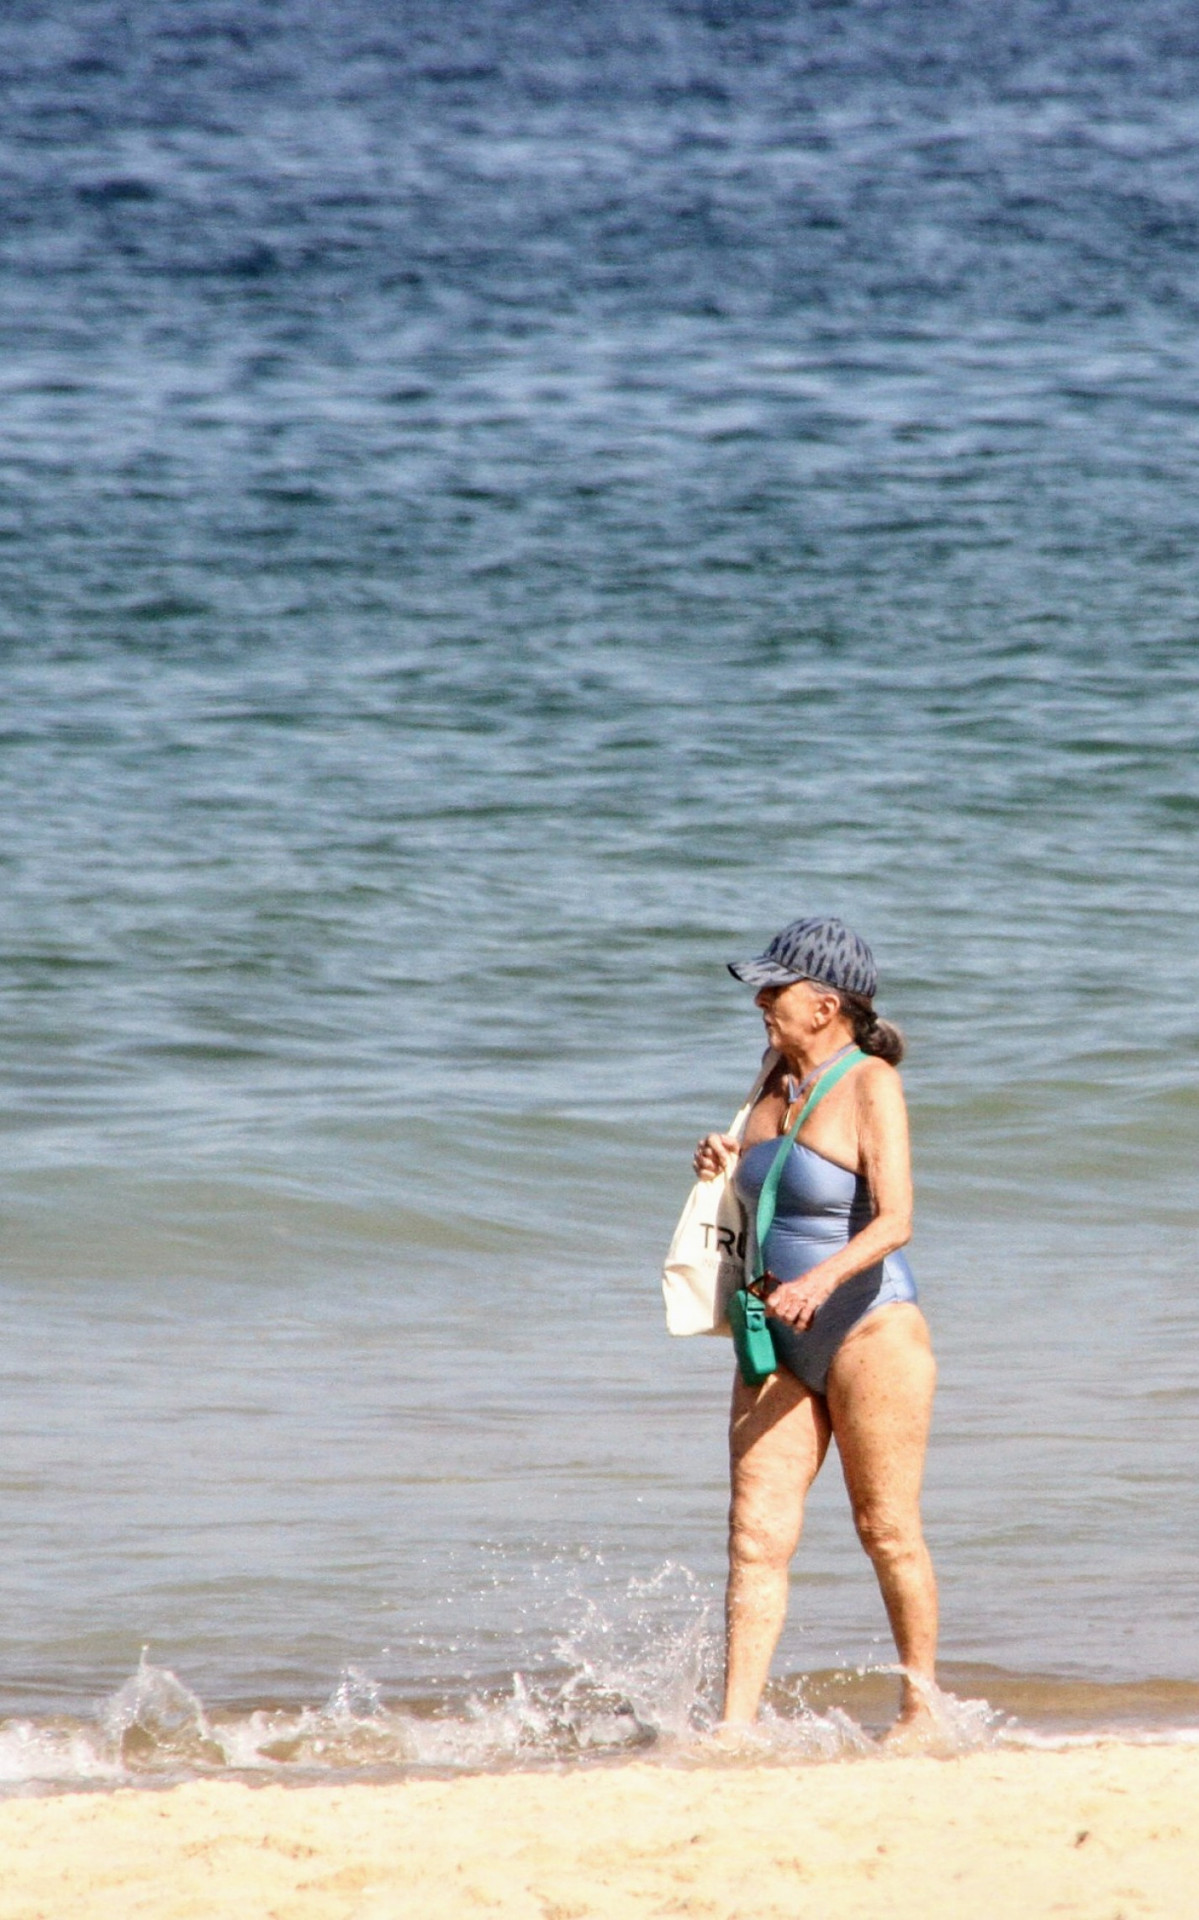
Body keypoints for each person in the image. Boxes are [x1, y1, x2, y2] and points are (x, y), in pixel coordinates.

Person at [693, 915, 938, 1736]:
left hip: (869, 1327)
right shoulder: (773, 1072)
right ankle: (733, 1726)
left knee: (886, 1530)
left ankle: (919, 1711)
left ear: (825, 1004)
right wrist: (725, 1161)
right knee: (753, 1539)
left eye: (775, 988)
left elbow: (895, 1219)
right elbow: (774, 1180)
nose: (760, 1000)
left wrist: (822, 1280)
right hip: (777, 1334)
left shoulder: (870, 1083)